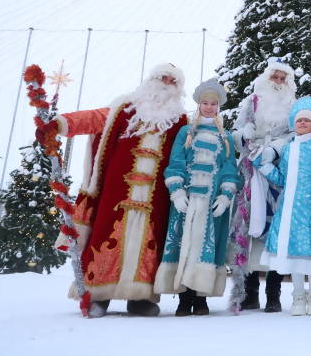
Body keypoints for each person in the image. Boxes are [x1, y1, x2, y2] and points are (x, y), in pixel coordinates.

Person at [43, 64, 189, 317]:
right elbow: (95, 119)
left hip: (156, 196)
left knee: (149, 242)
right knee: (106, 236)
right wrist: (59, 124)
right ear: (150, 80)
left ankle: (141, 298)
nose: (166, 83)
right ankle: (98, 295)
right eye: (162, 77)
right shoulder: (125, 108)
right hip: (117, 189)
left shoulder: (181, 120)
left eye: (172, 81)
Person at [153, 78, 240, 316]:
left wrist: (225, 196)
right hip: (187, 200)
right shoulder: (186, 132)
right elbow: (176, 162)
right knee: (185, 244)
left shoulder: (226, 136)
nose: (209, 107)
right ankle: (184, 298)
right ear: (199, 104)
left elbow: (229, 168)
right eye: (205, 103)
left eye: (213, 103)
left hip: (212, 202)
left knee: (206, 248)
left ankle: (201, 298)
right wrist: (177, 191)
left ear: (218, 106)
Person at [230, 59, 297, 312]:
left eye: (282, 78)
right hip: (249, 168)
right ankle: (249, 292)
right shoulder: (252, 102)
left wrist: (275, 149)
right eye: (274, 77)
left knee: (274, 228)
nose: (278, 82)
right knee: (246, 226)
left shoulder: (292, 106)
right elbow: (236, 132)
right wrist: (243, 135)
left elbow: (293, 135)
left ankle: (273, 293)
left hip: (276, 170)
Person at [254, 97, 311, 316]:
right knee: (293, 252)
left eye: (307, 120)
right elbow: (281, 179)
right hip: (289, 210)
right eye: (299, 120)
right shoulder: (288, 149)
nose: (302, 123)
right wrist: (264, 165)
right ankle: (298, 296)